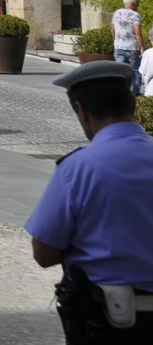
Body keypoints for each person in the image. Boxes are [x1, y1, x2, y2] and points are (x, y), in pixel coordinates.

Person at [26, 60, 153, 340]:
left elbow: (44, 253)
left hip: (108, 319)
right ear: (132, 105)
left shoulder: (78, 168)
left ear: (81, 111)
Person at [111, 0, 146, 95]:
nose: (138, 7)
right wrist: (142, 48)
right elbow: (137, 32)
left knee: (120, 71)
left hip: (118, 46)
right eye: (137, 5)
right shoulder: (135, 15)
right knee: (135, 70)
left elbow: (112, 30)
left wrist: (116, 40)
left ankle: (122, 92)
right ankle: (135, 93)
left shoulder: (117, 13)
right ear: (133, 4)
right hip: (132, 47)